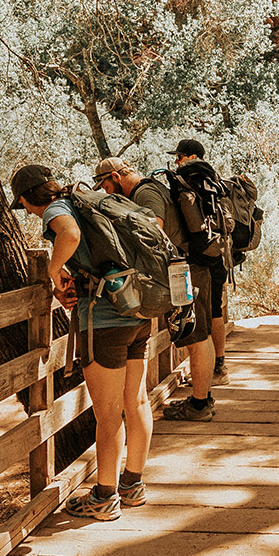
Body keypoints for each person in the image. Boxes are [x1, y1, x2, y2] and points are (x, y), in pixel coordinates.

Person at [9, 164, 152, 517]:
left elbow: (70, 235)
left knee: (108, 414)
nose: (27, 211)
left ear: (27, 199)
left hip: (104, 321)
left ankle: (104, 498)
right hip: (137, 311)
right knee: (137, 402)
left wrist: (52, 270)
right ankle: (132, 485)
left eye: (23, 205)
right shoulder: (89, 200)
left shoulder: (57, 210)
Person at [97, 142, 219, 423]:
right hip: (192, 266)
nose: (105, 192)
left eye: (105, 185)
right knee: (199, 335)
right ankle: (202, 399)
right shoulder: (152, 187)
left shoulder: (145, 192)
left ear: (115, 177)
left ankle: (200, 405)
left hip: (184, 270)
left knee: (195, 337)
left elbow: (154, 230)